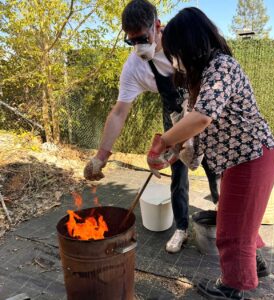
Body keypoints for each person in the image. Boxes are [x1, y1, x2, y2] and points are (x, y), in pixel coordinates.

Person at [147, 7, 274, 300]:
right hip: (242, 161)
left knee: (231, 231)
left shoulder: (222, 67)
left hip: (253, 157)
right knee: (240, 220)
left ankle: (232, 288)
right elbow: (194, 132)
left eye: (174, 53)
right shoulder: (203, 77)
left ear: (189, 44)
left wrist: (162, 142)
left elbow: (202, 118)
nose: (173, 61)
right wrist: (176, 153)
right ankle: (254, 265)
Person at [83, 0, 221, 253]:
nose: (138, 46)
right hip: (175, 117)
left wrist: (195, 133)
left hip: (205, 111)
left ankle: (228, 229)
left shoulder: (183, 41)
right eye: (131, 41)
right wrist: (101, 156)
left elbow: (211, 82)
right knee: (178, 176)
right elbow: (119, 112)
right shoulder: (134, 67)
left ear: (157, 26)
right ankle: (181, 229)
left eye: (143, 38)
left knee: (217, 170)